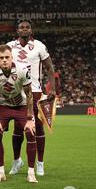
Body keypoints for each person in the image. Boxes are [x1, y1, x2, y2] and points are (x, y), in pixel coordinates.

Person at [7, 19, 56, 176]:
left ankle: (40, 163)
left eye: (27, 27)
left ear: (31, 30)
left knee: (38, 128)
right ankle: (17, 161)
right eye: (22, 27)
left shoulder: (39, 46)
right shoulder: (10, 46)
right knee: (18, 128)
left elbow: (49, 67)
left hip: (35, 91)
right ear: (17, 30)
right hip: (15, 92)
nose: (25, 29)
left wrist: (52, 88)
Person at [0, 44, 38, 183]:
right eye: (1, 58)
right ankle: (1, 172)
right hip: (4, 106)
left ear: (12, 57)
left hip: (21, 106)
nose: (4, 60)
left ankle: (31, 173)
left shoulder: (22, 70)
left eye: (7, 57)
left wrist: (29, 118)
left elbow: (30, 94)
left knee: (30, 132)